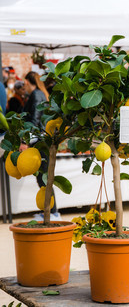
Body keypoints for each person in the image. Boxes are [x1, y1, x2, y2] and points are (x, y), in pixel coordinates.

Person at [22, 71, 60, 220]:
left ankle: (53, 212)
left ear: (27, 82)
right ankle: (49, 210)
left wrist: (24, 141)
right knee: (43, 178)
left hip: (41, 141)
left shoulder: (37, 94)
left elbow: (34, 119)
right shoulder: (38, 94)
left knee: (45, 178)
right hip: (41, 141)